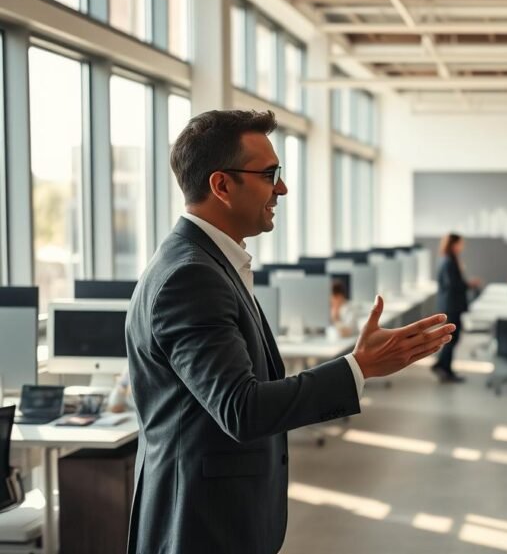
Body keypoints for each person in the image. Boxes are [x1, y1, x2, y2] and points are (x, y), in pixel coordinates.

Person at [125, 110, 456, 554]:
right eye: (269, 174)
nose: (281, 188)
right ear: (221, 186)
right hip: (200, 526)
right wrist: (358, 368)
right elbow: (241, 408)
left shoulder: (207, 263)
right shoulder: (191, 276)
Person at [432, 233, 477, 383]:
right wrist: (468, 285)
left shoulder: (449, 260)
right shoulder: (449, 262)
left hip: (451, 304)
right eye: (460, 243)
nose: (462, 247)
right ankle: (445, 369)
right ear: (453, 244)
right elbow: (453, 285)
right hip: (451, 305)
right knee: (452, 338)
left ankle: (442, 365)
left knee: (452, 337)